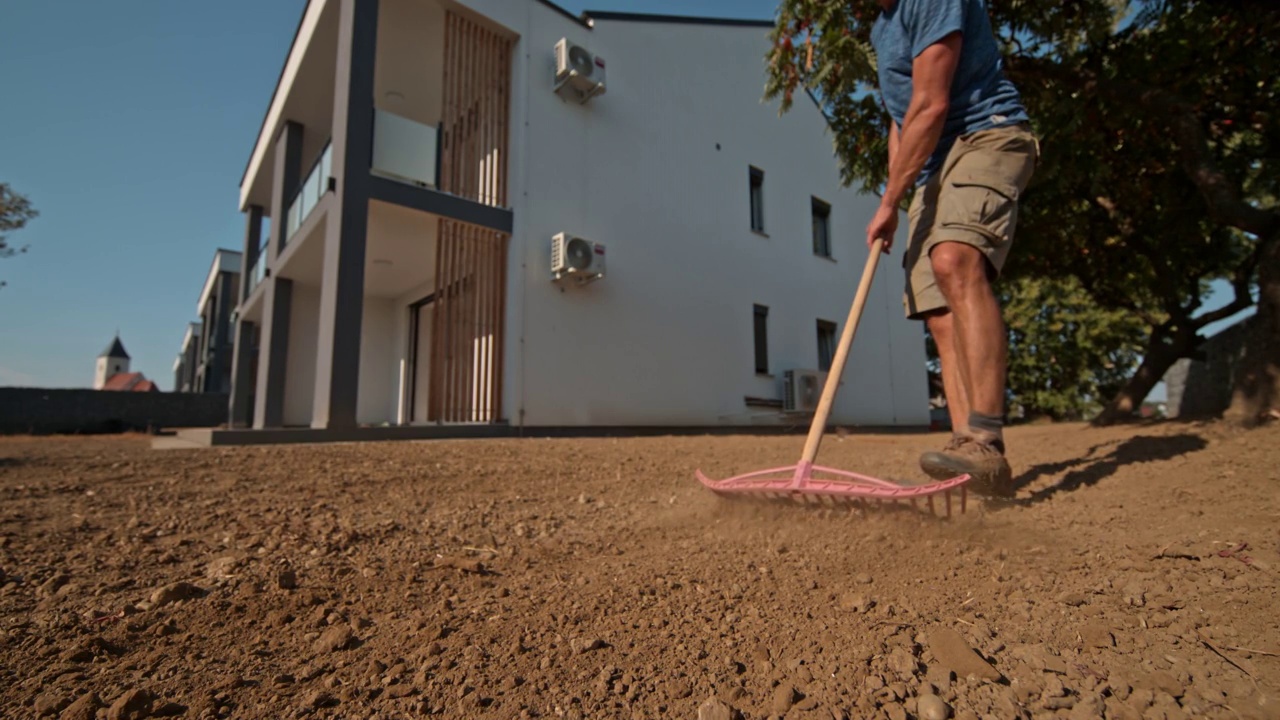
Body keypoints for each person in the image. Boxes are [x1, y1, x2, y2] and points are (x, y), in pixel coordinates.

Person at [865, 0, 1038, 497]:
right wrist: (892, 197)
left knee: (954, 259)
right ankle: (970, 467)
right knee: (937, 309)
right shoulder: (882, 28)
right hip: (931, 168)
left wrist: (891, 201)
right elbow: (902, 119)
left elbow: (932, 103)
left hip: (986, 134)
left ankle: (985, 439)